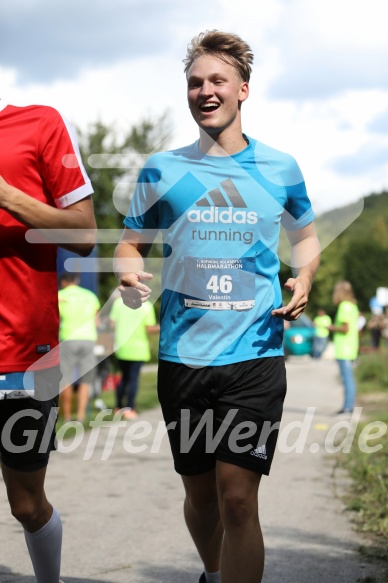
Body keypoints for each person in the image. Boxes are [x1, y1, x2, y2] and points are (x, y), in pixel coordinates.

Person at [114, 31, 320, 583]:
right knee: (202, 497)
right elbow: (130, 243)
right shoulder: (163, 169)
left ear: (242, 90)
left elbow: (306, 236)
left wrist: (304, 276)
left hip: (254, 353)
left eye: (217, 80)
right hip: (184, 356)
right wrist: (128, 272)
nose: (205, 91)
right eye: (195, 82)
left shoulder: (280, 168)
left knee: (237, 499)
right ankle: (214, 573)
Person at [0, 100, 96, 582]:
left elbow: (84, 234)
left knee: (26, 504)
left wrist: (6, 195)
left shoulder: (38, 122)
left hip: (22, 357)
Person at [58, 272, 101, 422]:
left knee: (66, 379)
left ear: (63, 282)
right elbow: (97, 322)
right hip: (88, 339)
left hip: (67, 339)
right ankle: (81, 415)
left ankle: (67, 415)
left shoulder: (59, 296)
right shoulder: (90, 296)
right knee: (85, 380)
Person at [109, 296, 159, 419]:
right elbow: (149, 328)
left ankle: (118, 407)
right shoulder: (146, 306)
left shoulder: (118, 303)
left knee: (124, 377)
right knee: (133, 378)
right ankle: (130, 408)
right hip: (138, 348)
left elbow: (112, 324)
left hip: (121, 347)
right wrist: (161, 326)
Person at [327, 281, 359, 414]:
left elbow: (345, 328)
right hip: (351, 346)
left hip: (344, 348)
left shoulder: (344, 306)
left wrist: (331, 327)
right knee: (348, 378)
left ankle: (347, 407)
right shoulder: (353, 306)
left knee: (347, 378)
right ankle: (347, 405)